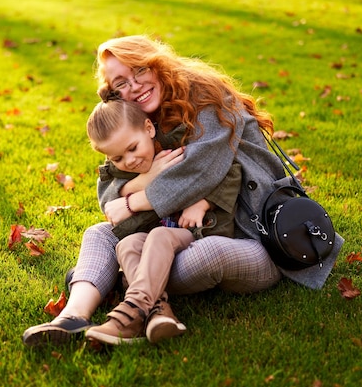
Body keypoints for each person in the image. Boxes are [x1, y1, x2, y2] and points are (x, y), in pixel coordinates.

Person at [22, 34, 344, 347]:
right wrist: (143, 180)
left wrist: (134, 201)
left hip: (254, 237)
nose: (134, 86)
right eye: (121, 82)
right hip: (184, 231)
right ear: (113, 92)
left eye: (140, 70)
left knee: (201, 256)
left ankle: (123, 284)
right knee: (98, 234)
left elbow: (200, 174)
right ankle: (72, 317)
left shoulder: (210, 99)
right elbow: (109, 195)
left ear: (157, 65)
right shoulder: (136, 119)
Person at [82, 92, 242, 344]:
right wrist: (140, 182)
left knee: (159, 235)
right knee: (127, 244)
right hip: (158, 233)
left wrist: (203, 203)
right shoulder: (123, 173)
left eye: (132, 148)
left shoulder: (177, 150)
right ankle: (157, 313)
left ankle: (132, 309)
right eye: (118, 158)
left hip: (198, 230)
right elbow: (108, 200)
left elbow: (228, 171)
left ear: (148, 128)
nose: (130, 160)